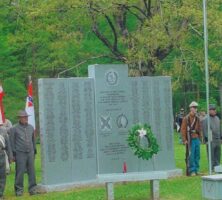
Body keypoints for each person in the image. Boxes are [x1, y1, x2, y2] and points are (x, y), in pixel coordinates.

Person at [9, 110, 37, 196]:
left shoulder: (31, 127)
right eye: (24, 117)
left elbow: (33, 140)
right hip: (20, 153)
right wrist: (13, 155)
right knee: (20, 172)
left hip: (30, 152)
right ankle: (19, 190)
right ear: (19, 118)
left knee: (32, 172)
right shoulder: (14, 128)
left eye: (26, 117)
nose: (25, 118)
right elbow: (11, 142)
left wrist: (34, 151)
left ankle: (32, 189)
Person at [181, 101, 201, 176]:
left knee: (197, 155)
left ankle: (197, 169)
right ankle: (192, 170)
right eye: (194, 107)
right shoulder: (186, 118)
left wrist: (200, 137)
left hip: (196, 139)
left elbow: (199, 128)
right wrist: (184, 140)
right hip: (190, 139)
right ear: (191, 108)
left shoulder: (197, 118)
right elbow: (183, 130)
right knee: (191, 155)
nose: (196, 109)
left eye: (196, 108)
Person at [202, 104, 222, 171]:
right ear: (209, 111)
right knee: (211, 154)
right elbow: (205, 130)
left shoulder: (217, 118)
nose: (214, 111)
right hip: (211, 139)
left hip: (218, 139)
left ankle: (217, 167)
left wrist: (221, 137)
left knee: (218, 154)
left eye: (214, 109)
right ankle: (212, 167)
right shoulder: (206, 119)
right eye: (213, 109)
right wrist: (207, 139)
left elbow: (219, 128)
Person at [0, 124, 12, 199]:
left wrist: (10, 156)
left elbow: (8, 144)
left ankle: (1, 193)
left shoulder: (3, 130)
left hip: (2, 155)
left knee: (2, 176)